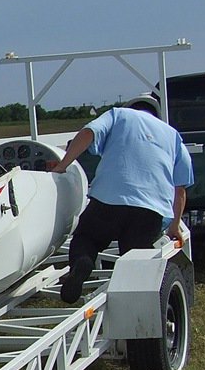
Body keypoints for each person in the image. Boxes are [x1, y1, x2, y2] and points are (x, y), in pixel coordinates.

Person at [48, 104, 194, 303]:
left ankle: (81, 264)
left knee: (87, 238)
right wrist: (175, 225)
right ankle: (133, 304)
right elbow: (180, 189)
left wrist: (62, 166)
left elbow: (88, 132)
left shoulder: (119, 115)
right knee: (135, 256)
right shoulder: (173, 136)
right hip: (150, 209)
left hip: (108, 199)